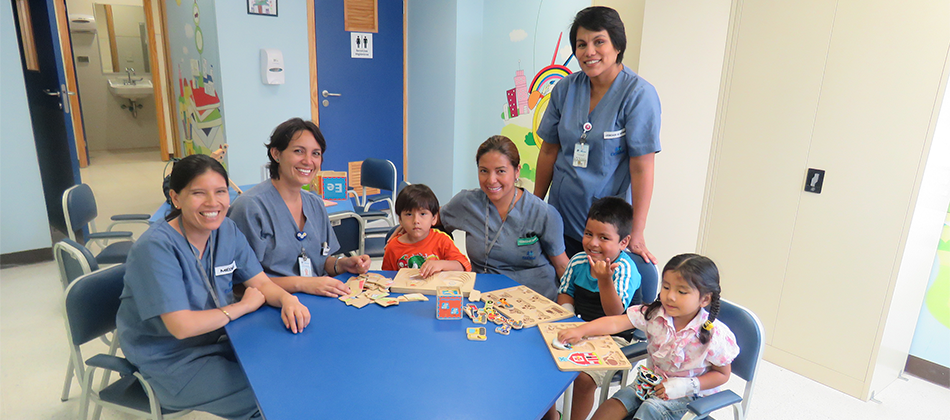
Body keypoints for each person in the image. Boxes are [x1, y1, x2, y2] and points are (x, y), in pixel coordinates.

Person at [116, 154, 311, 419]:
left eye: (221, 191)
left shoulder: (226, 230)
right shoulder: (155, 248)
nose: (212, 203)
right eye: (198, 193)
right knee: (268, 394)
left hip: (221, 341)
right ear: (175, 198)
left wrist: (288, 300)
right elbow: (181, 326)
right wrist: (241, 307)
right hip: (169, 361)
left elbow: (261, 283)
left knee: (291, 367)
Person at [534, 6, 662, 264]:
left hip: (604, 232)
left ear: (617, 45)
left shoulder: (638, 95)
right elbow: (549, 150)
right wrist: (534, 208)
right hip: (558, 219)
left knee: (590, 297)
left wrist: (636, 233)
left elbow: (642, 168)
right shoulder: (566, 88)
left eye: (599, 42)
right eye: (581, 44)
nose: (589, 52)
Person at [556, 254, 739, 420]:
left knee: (650, 409)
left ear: (705, 299)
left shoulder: (715, 334)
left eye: (682, 292)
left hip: (689, 396)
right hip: (650, 382)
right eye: (666, 287)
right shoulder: (655, 313)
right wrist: (581, 330)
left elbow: (722, 374)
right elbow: (615, 323)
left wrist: (684, 385)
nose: (670, 297)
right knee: (609, 409)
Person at [230, 118, 371, 298]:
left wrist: (341, 264)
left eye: (316, 154)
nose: (308, 161)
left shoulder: (315, 204)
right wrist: (305, 284)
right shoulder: (250, 207)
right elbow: (241, 282)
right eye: (299, 151)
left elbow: (319, 261)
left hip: (315, 301)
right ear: (276, 154)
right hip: (267, 306)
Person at [544, 196, 642, 420]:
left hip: (616, 337)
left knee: (583, 378)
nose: (593, 243)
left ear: (623, 243)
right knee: (542, 358)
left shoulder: (625, 269)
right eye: (589, 233)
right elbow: (566, 292)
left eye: (604, 237)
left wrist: (604, 280)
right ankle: (550, 416)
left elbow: (614, 314)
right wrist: (568, 318)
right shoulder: (578, 260)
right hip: (580, 329)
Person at [441, 135, 569, 301]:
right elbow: (431, 218)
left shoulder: (544, 213)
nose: (491, 180)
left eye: (501, 171)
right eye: (484, 171)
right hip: (484, 299)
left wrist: (569, 309)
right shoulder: (466, 203)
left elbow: (562, 266)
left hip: (536, 302)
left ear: (517, 171)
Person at [382, 183, 471, 275]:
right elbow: (387, 279)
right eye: (409, 214)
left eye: (423, 214)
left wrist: (441, 264)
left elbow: (464, 266)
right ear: (400, 219)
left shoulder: (442, 240)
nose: (416, 221)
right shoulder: (393, 247)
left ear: (434, 219)